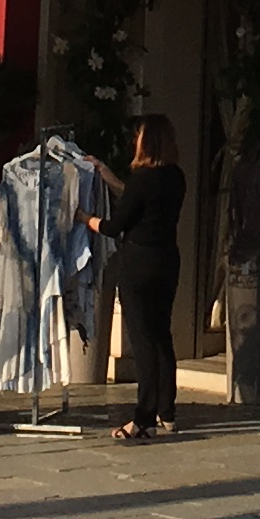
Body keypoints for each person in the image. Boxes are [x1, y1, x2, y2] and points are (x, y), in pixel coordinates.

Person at [102, 112, 187, 443]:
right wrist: (111, 178)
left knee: (142, 340)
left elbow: (114, 226)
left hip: (138, 261)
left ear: (145, 142)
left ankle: (143, 419)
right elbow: (141, 201)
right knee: (161, 334)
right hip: (167, 259)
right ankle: (167, 411)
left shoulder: (141, 179)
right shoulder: (175, 177)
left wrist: (84, 218)